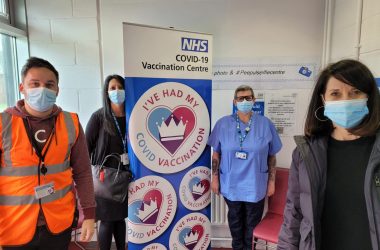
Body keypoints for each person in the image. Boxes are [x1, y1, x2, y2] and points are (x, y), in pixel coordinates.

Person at [278, 59, 380, 250]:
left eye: (355, 92)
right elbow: (294, 214)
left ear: (369, 97)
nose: (346, 100)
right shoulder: (305, 153)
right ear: (323, 100)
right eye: (336, 93)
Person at [0, 57, 96, 249]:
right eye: (34, 84)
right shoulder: (3, 123)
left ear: (57, 90)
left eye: (49, 85)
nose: (42, 89)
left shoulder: (71, 123)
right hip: (13, 226)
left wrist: (89, 215)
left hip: (58, 223)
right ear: (22, 88)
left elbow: (83, 172)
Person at [208, 85, 282, 250]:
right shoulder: (223, 124)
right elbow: (216, 154)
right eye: (240, 98)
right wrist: (214, 178)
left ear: (254, 100)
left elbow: (272, 156)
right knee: (235, 223)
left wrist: (271, 182)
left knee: (252, 225)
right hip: (231, 183)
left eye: (248, 98)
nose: (244, 101)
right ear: (234, 102)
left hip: (255, 185)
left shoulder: (265, 124)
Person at [85, 74, 128, 250]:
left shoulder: (133, 114)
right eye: (112, 88)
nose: (117, 91)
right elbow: (85, 147)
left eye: (120, 87)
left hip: (124, 177)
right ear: (106, 92)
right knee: (107, 221)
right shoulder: (99, 117)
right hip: (104, 179)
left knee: (120, 219)